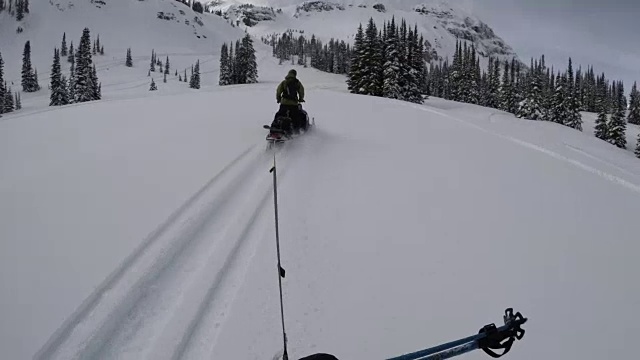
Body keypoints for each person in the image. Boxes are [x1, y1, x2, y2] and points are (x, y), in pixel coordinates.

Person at [273, 69, 307, 134]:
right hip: (293, 103)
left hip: (284, 103)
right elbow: (301, 91)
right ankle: (296, 130)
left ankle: (275, 126)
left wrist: (278, 99)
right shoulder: (297, 82)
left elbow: (278, 91)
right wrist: (301, 99)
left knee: (280, 114)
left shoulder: (284, 82)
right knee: (295, 116)